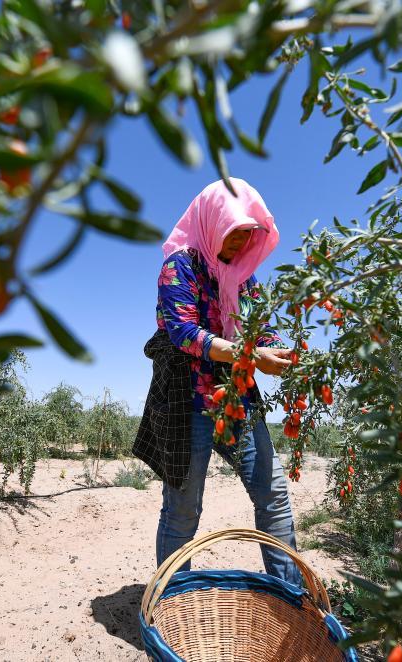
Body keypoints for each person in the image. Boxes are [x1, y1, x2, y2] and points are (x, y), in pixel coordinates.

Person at [132, 177, 303, 587]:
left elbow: (262, 332)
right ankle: (170, 604)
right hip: (188, 402)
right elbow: (184, 333)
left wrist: (281, 352)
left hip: (237, 401)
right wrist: (250, 355)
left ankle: (292, 596)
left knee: (273, 497)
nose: (241, 244)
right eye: (233, 233)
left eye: (248, 235)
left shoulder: (244, 278)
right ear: (212, 223)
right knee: (183, 510)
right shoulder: (180, 267)